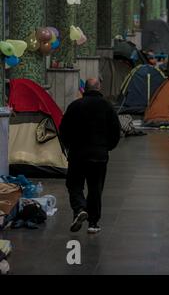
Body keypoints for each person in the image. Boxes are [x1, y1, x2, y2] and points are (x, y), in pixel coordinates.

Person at [60, 78, 121, 234]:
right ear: (99, 88)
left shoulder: (74, 106)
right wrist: (107, 147)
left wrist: (67, 146)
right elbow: (116, 131)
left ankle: (80, 208)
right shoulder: (107, 106)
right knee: (95, 188)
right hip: (99, 154)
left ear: (84, 90)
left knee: (74, 184)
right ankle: (93, 224)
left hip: (77, 153)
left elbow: (64, 129)